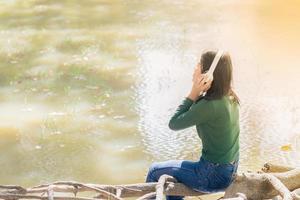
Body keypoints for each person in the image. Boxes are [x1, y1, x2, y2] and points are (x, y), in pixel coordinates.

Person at [145, 50, 240, 200]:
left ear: (207, 75)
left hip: (211, 176)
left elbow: (174, 123)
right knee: (174, 180)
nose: (195, 67)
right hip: (229, 171)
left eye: (199, 64)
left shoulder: (210, 105)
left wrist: (193, 92)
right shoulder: (230, 96)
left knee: (154, 170)